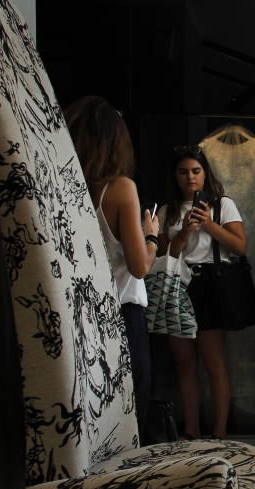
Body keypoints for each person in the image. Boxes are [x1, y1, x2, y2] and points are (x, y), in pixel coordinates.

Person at [65, 95, 159, 444]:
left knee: (96, 416)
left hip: (84, 317)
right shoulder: (120, 188)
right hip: (123, 312)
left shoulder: (67, 188)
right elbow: (138, 267)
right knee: (132, 411)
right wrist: (152, 238)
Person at [161, 146, 246, 440]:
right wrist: (184, 232)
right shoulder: (167, 209)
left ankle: (220, 431)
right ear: (175, 175)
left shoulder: (222, 204)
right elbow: (162, 256)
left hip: (211, 283)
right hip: (177, 284)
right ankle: (191, 430)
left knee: (214, 361)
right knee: (184, 363)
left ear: (205, 173)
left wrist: (208, 223)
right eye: (183, 172)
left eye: (196, 171)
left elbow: (239, 246)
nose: (190, 178)